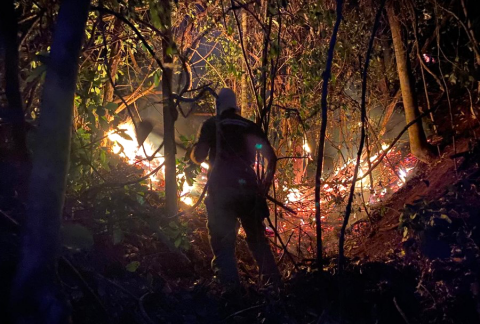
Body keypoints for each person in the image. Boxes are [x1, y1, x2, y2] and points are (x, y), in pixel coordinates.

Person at [190, 88, 280, 288]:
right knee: (258, 241)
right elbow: (271, 158)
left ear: (218, 106)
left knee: (223, 244)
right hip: (249, 190)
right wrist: (263, 187)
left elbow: (199, 157)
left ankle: (231, 293)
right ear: (236, 106)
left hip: (221, 191)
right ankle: (275, 287)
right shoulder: (249, 126)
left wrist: (195, 148)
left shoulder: (213, 125)